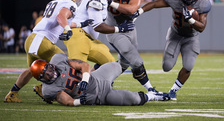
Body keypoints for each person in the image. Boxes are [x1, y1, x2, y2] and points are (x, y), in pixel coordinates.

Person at [4, 0, 92, 103]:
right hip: (44, 42)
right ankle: (44, 88)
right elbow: (61, 17)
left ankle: (12, 94)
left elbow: (60, 19)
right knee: (67, 65)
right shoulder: (70, 4)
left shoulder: (53, 3)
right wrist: (68, 30)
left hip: (31, 39)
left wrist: (81, 24)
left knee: (32, 70)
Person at [131, 0, 212, 100]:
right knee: (167, 66)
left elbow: (202, 28)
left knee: (188, 66)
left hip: (191, 37)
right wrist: (139, 11)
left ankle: (173, 91)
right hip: (175, 34)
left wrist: (191, 20)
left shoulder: (203, 4)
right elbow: (154, 4)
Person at [30, 53, 170, 106]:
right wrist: (80, 102)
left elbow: (84, 65)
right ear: (40, 79)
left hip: (98, 77)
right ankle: (153, 96)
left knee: (122, 62)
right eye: (45, 74)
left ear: (49, 64)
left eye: (47, 68)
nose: (49, 73)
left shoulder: (58, 60)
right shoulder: (49, 89)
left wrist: (85, 79)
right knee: (134, 100)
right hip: (98, 96)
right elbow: (67, 101)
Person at [62, 0, 135, 71]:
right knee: (75, 73)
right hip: (78, 35)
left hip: (88, 38)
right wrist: (119, 29)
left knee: (110, 65)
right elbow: (97, 26)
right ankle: (44, 86)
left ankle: (95, 82)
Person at [106, 0, 159, 94]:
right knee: (135, 60)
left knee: (123, 64)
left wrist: (111, 2)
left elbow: (131, 9)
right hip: (114, 30)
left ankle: (100, 77)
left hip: (130, 29)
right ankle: (150, 90)